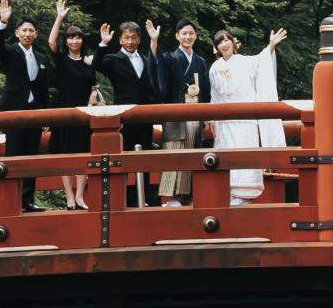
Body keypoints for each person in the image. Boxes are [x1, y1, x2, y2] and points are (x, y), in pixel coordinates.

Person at [209, 28, 288, 205]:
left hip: (245, 120)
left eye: (227, 40)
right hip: (225, 121)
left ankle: (246, 194)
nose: (224, 44)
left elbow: (262, 60)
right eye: (220, 42)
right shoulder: (214, 67)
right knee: (226, 155)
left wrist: (271, 45)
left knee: (245, 155)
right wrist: (213, 117)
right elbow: (214, 95)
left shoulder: (245, 62)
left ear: (233, 42)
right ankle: (230, 193)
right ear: (216, 47)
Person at [0, 0, 52, 212]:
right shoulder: (11, 52)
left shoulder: (40, 57)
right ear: (17, 33)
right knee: (14, 154)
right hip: (14, 109)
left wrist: (46, 115)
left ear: (36, 34)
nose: (27, 34)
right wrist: (3, 22)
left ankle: (27, 200)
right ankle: (11, 200)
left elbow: (43, 89)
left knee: (31, 155)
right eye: (24, 30)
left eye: (31, 31)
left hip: (34, 111)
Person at [47, 0, 101, 210]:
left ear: (82, 40)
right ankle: (69, 197)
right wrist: (59, 17)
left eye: (78, 37)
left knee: (84, 153)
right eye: (71, 37)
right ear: (67, 40)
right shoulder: (62, 60)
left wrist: (92, 99)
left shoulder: (89, 62)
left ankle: (79, 196)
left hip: (85, 112)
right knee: (66, 154)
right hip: (65, 110)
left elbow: (93, 87)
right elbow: (51, 43)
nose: (74, 41)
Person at [152, 20, 212, 207]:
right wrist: (154, 41)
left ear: (196, 36)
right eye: (184, 33)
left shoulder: (200, 61)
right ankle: (173, 197)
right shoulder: (169, 58)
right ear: (177, 36)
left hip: (196, 113)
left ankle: (188, 196)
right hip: (176, 113)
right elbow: (156, 66)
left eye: (191, 33)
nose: (188, 37)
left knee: (193, 152)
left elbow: (206, 91)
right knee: (175, 152)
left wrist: (206, 116)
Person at [93, 21, 160, 156]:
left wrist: (154, 40)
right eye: (126, 37)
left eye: (134, 37)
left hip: (144, 116)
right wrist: (104, 43)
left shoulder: (145, 60)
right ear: (120, 40)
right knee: (124, 156)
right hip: (124, 116)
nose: (130, 42)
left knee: (145, 155)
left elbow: (153, 83)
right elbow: (96, 65)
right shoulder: (113, 60)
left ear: (139, 40)